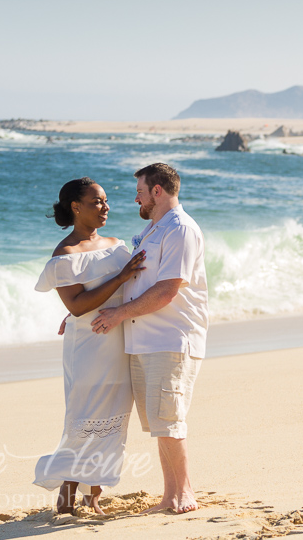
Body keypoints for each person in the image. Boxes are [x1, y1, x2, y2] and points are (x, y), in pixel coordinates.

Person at [91, 163, 208, 515]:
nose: (136, 197)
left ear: (157, 191)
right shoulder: (152, 230)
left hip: (171, 339)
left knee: (170, 421)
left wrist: (118, 315)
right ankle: (171, 494)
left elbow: (168, 290)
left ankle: (182, 495)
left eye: (140, 190)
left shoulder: (181, 229)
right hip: (145, 341)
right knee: (162, 423)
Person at [33, 177, 147, 515]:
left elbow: (131, 291)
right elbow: (79, 305)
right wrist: (121, 277)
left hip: (119, 342)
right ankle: (65, 500)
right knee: (83, 421)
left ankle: (92, 498)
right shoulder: (64, 255)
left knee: (113, 420)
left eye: (106, 200)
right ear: (76, 207)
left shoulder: (116, 245)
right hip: (87, 348)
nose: (106, 207)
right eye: (97, 201)